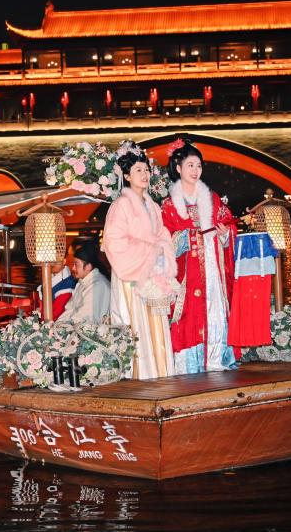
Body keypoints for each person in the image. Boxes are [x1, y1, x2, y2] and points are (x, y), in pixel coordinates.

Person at [161, 138, 238, 373]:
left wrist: (224, 235)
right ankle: (190, 363)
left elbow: (228, 223)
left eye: (198, 166)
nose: (195, 171)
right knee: (190, 313)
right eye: (190, 166)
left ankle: (216, 358)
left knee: (215, 308)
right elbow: (164, 239)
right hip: (189, 272)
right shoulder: (169, 205)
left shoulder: (212, 198)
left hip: (213, 267)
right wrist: (186, 236)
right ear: (178, 168)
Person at [102, 145, 176, 380]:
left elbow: (162, 233)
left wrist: (162, 250)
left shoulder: (153, 205)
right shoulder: (121, 205)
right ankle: (140, 373)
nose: (144, 175)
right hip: (132, 272)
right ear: (126, 176)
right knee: (137, 321)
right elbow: (114, 241)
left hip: (153, 269)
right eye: (138, 170)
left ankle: (161, 370)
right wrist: (147, 251)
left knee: (156, 320)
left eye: (146, 170)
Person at [57, 239, 110, 324]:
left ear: (88, 266)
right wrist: (57, 325)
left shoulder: (98, 285)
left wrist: (63, 327)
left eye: (76, 264)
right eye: (73, 264)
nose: (73, 268)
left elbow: (85, 318)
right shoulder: (82, 282)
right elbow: (69, 310)